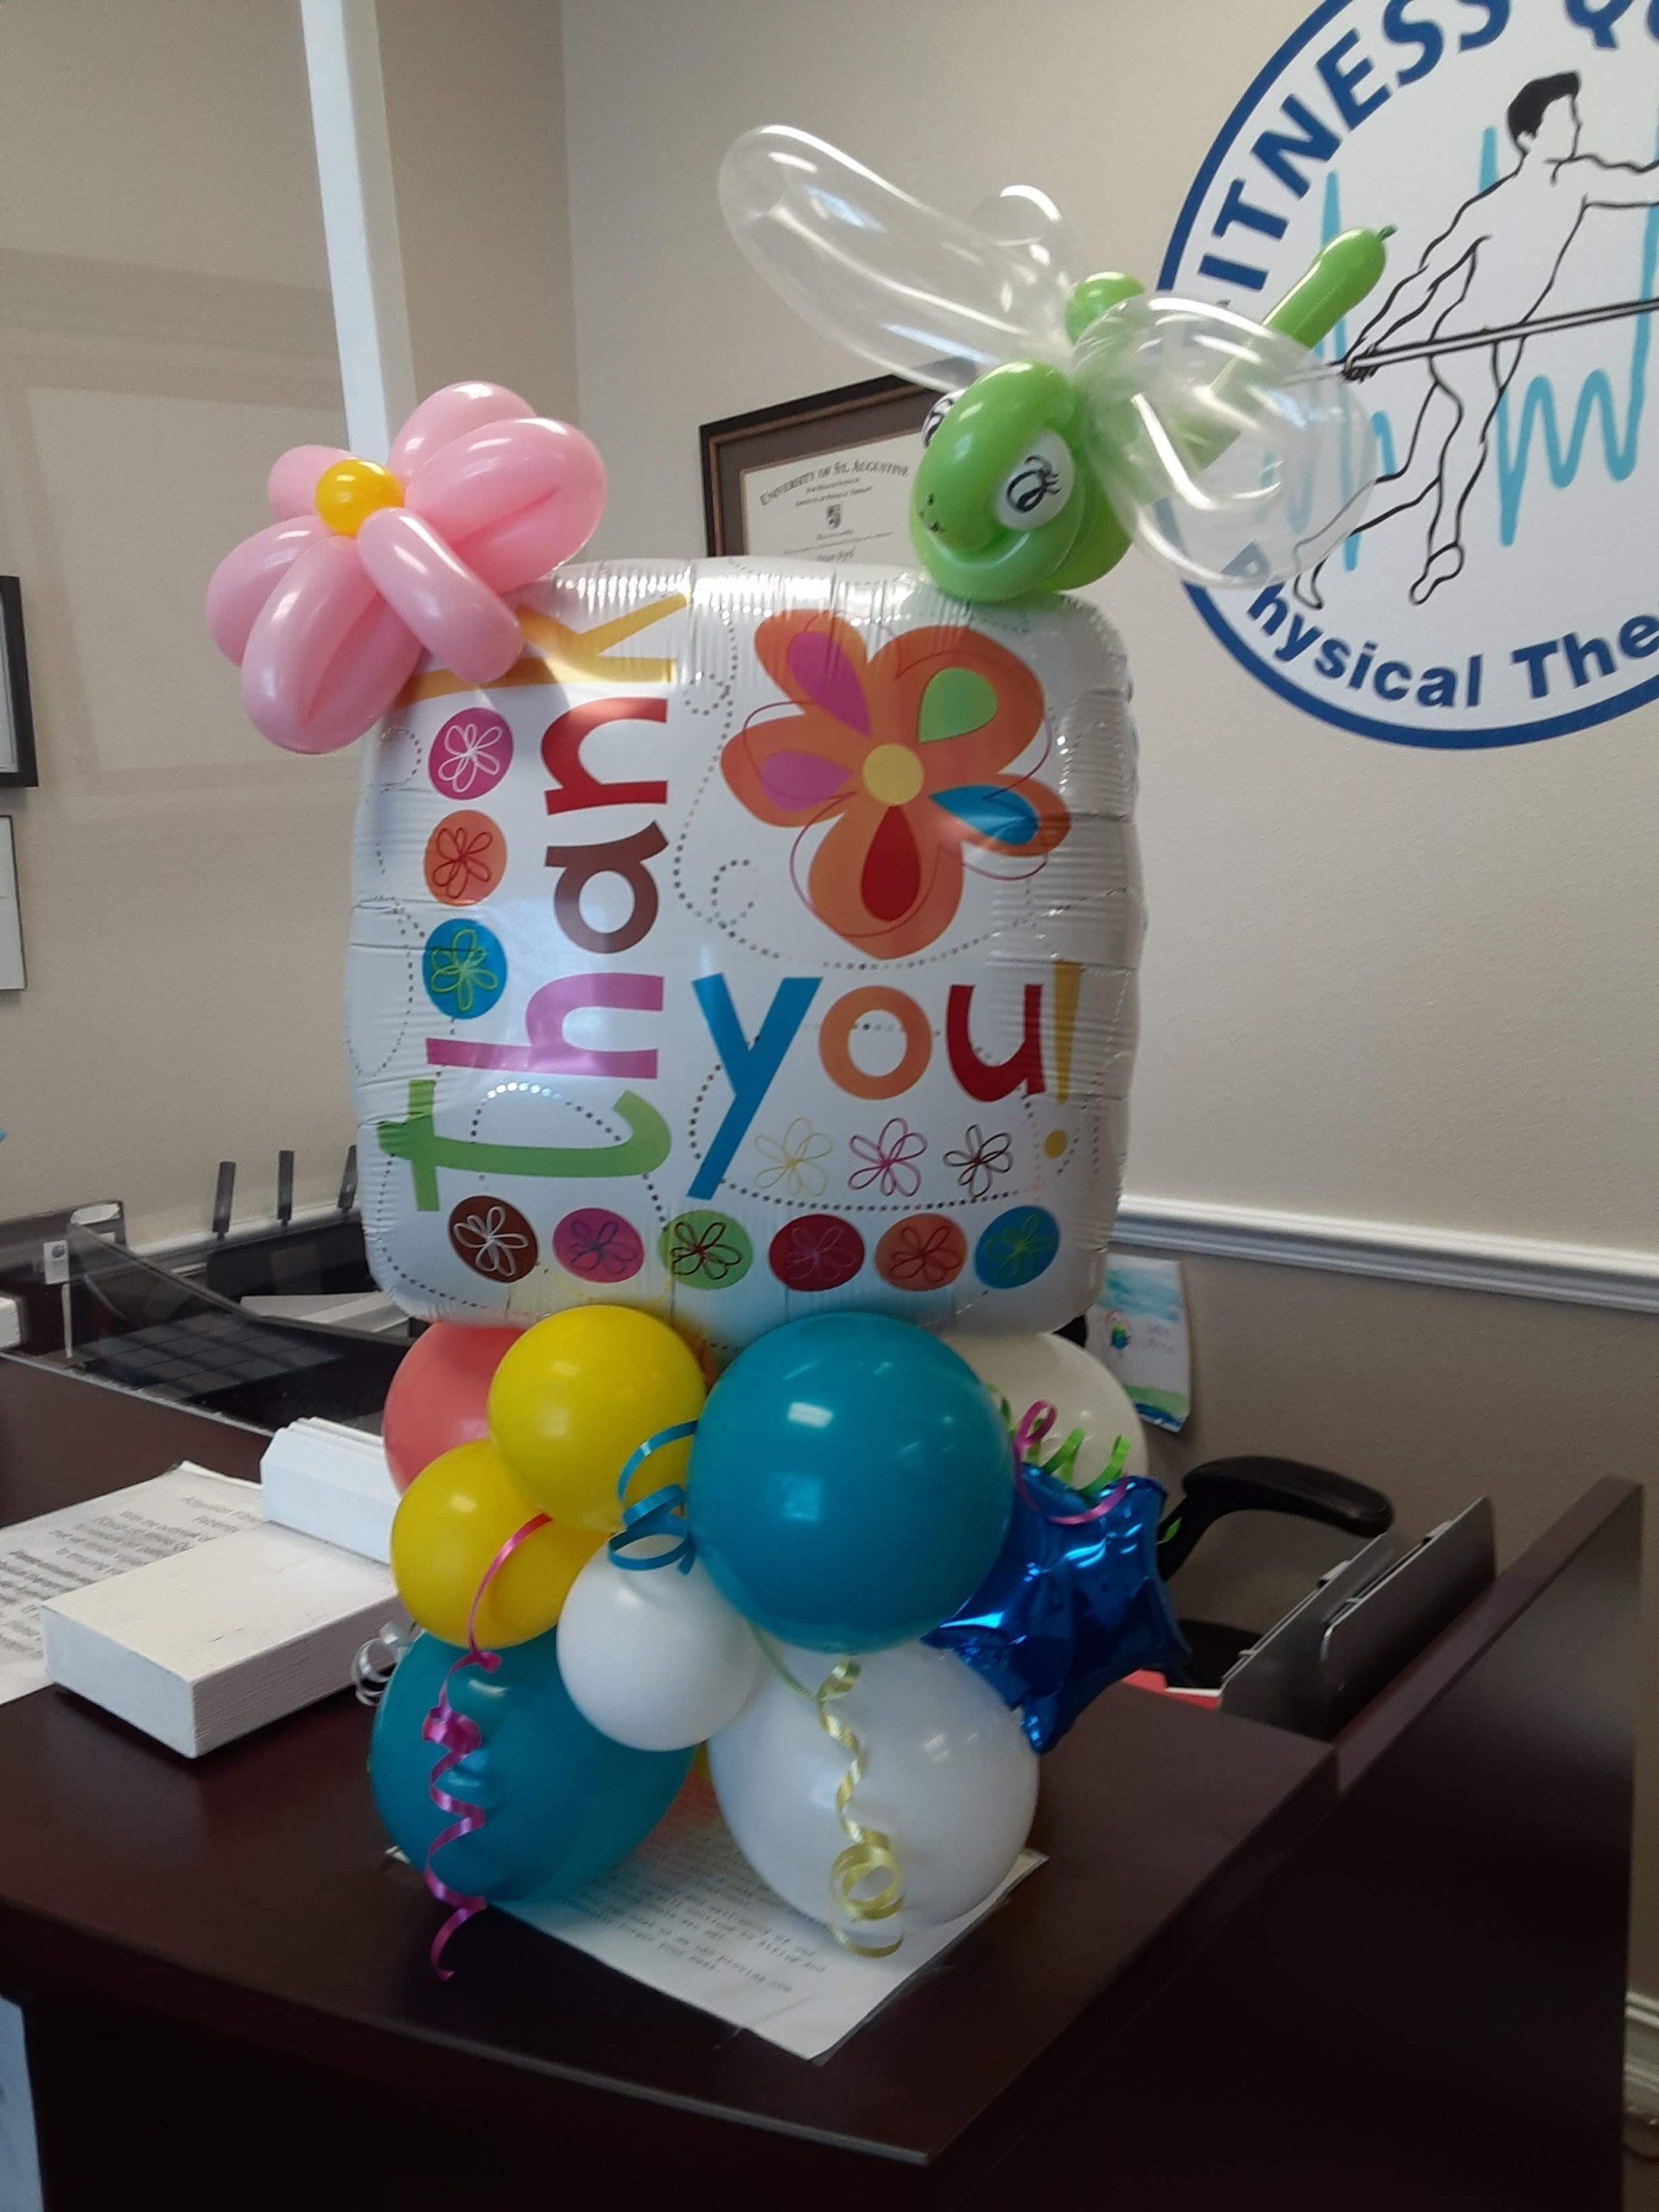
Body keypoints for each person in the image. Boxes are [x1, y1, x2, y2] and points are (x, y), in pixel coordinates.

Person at [1295, 73, 1659, 609]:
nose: (1579, 127)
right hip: (1462, 338)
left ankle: (1313, 549)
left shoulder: (1580, 181)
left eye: (1575, 116)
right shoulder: (1490, 209)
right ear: (1529, 138)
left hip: (1503, 343)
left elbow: (1645, 185)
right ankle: (1445, 544)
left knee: (1418, 477)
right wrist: (1371, 341)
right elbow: (1424, 281)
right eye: (1566, 119)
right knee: (1475, 417)